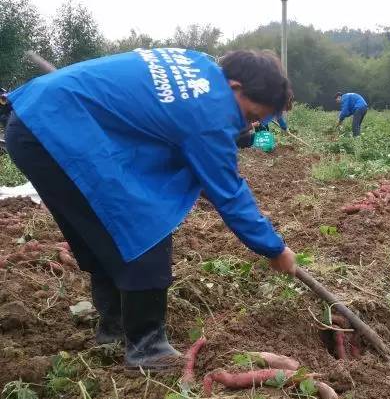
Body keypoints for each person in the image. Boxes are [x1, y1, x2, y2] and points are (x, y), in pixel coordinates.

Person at [5, 48, 297, 371]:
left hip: (40, 119)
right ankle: (147, 347)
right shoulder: (209, 111)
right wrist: (274, 248)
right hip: (55, 130)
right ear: (235, 88)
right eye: (252, 115)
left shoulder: (198, 65)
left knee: (105, 229)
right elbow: (229, 193)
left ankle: (114, 330)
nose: (249, 124)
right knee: (141, 221)